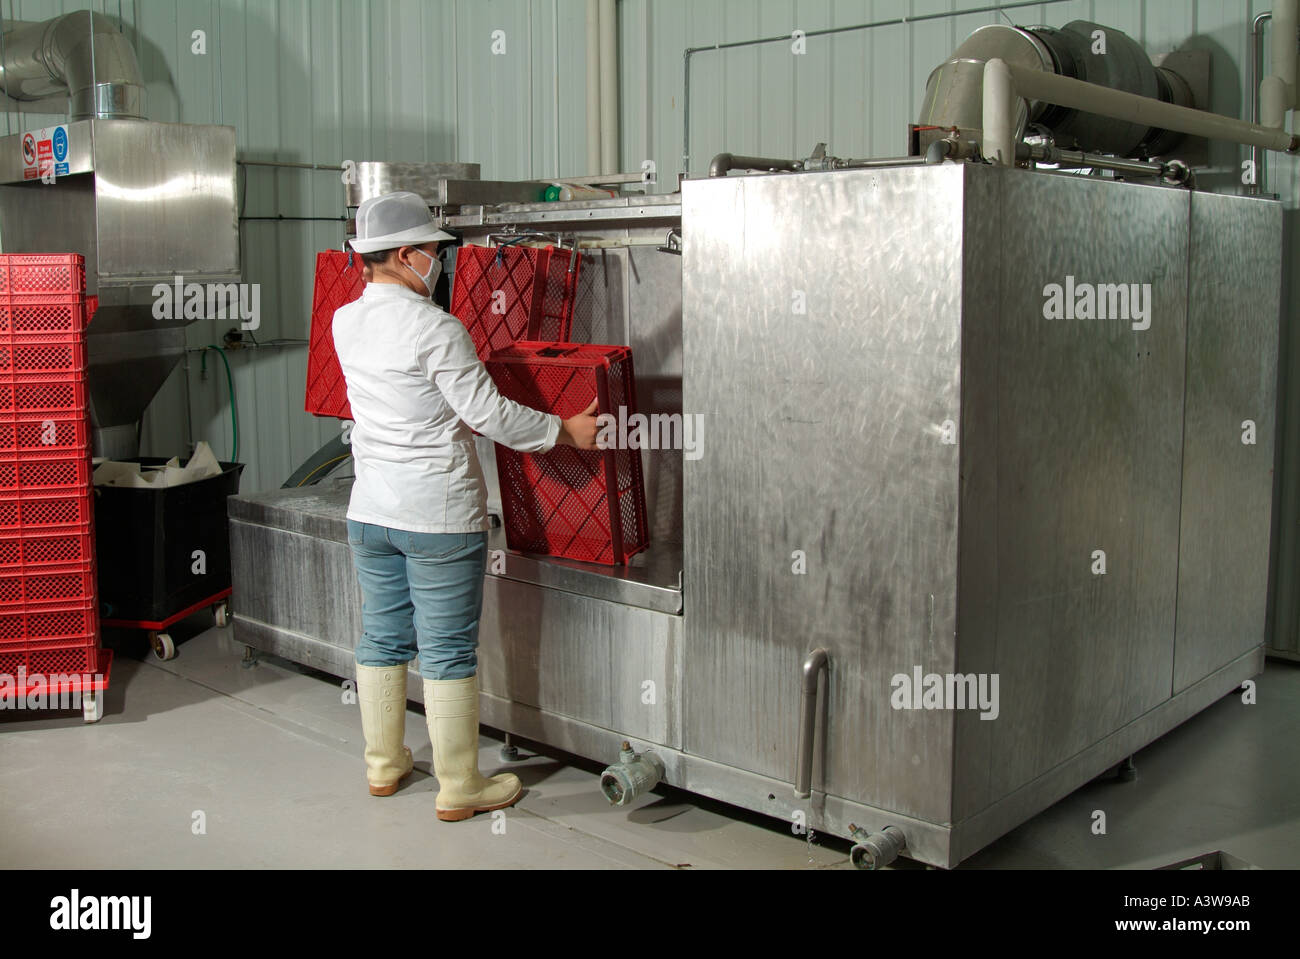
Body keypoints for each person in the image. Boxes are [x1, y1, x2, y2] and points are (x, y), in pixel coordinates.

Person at [332, 191, 599, 821]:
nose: (440, 263)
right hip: (437, 517)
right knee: (448, 649)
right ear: (404, 255)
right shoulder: (434, 327)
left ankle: (384, 765)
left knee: (382, 638)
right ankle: (459, 785)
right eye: (433, 252)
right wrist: (564, 429)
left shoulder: (347, 321)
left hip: (370, 511)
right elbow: (485, 414)